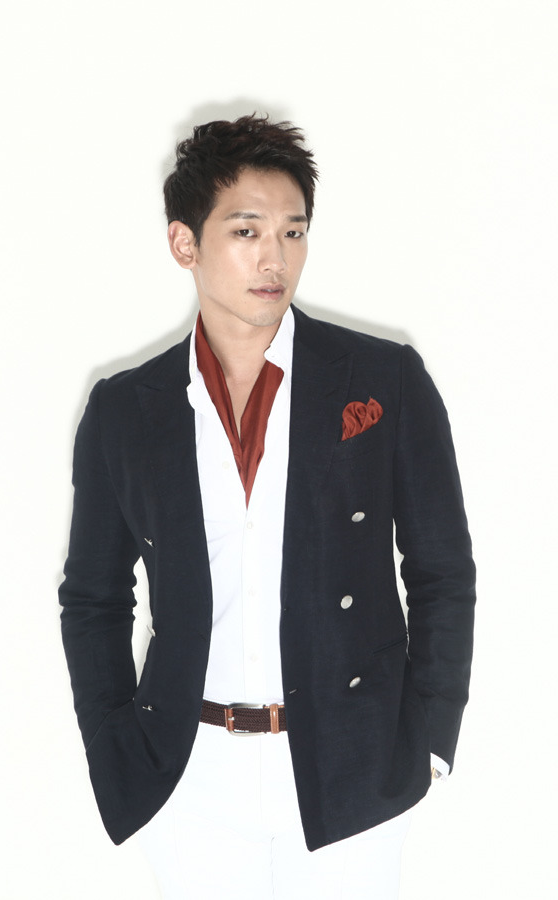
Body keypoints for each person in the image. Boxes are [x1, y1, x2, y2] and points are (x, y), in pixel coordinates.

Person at [59, 114, 475, 899]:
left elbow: (442, 570)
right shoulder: (125, 410)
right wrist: (113, 744)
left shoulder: (383, 380)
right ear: (184, 243)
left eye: (293, 231)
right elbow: (93, 599)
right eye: (246, 230)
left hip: (354, 769)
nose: (274, 258)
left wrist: (429, 740)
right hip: (191, 779)